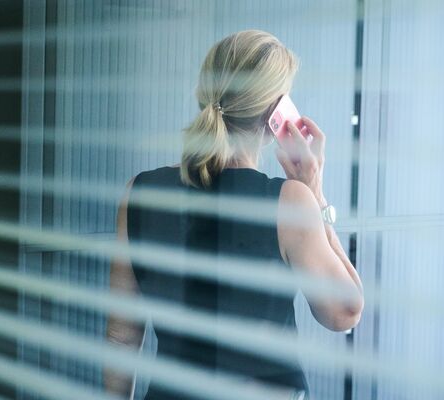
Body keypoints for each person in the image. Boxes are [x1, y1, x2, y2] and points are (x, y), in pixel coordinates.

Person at [105, 30, 364, 400]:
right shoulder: (289, 202)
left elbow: (121, 336)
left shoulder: (140, 192)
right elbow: (344, 312)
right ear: (275, 114)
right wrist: (315, 193)